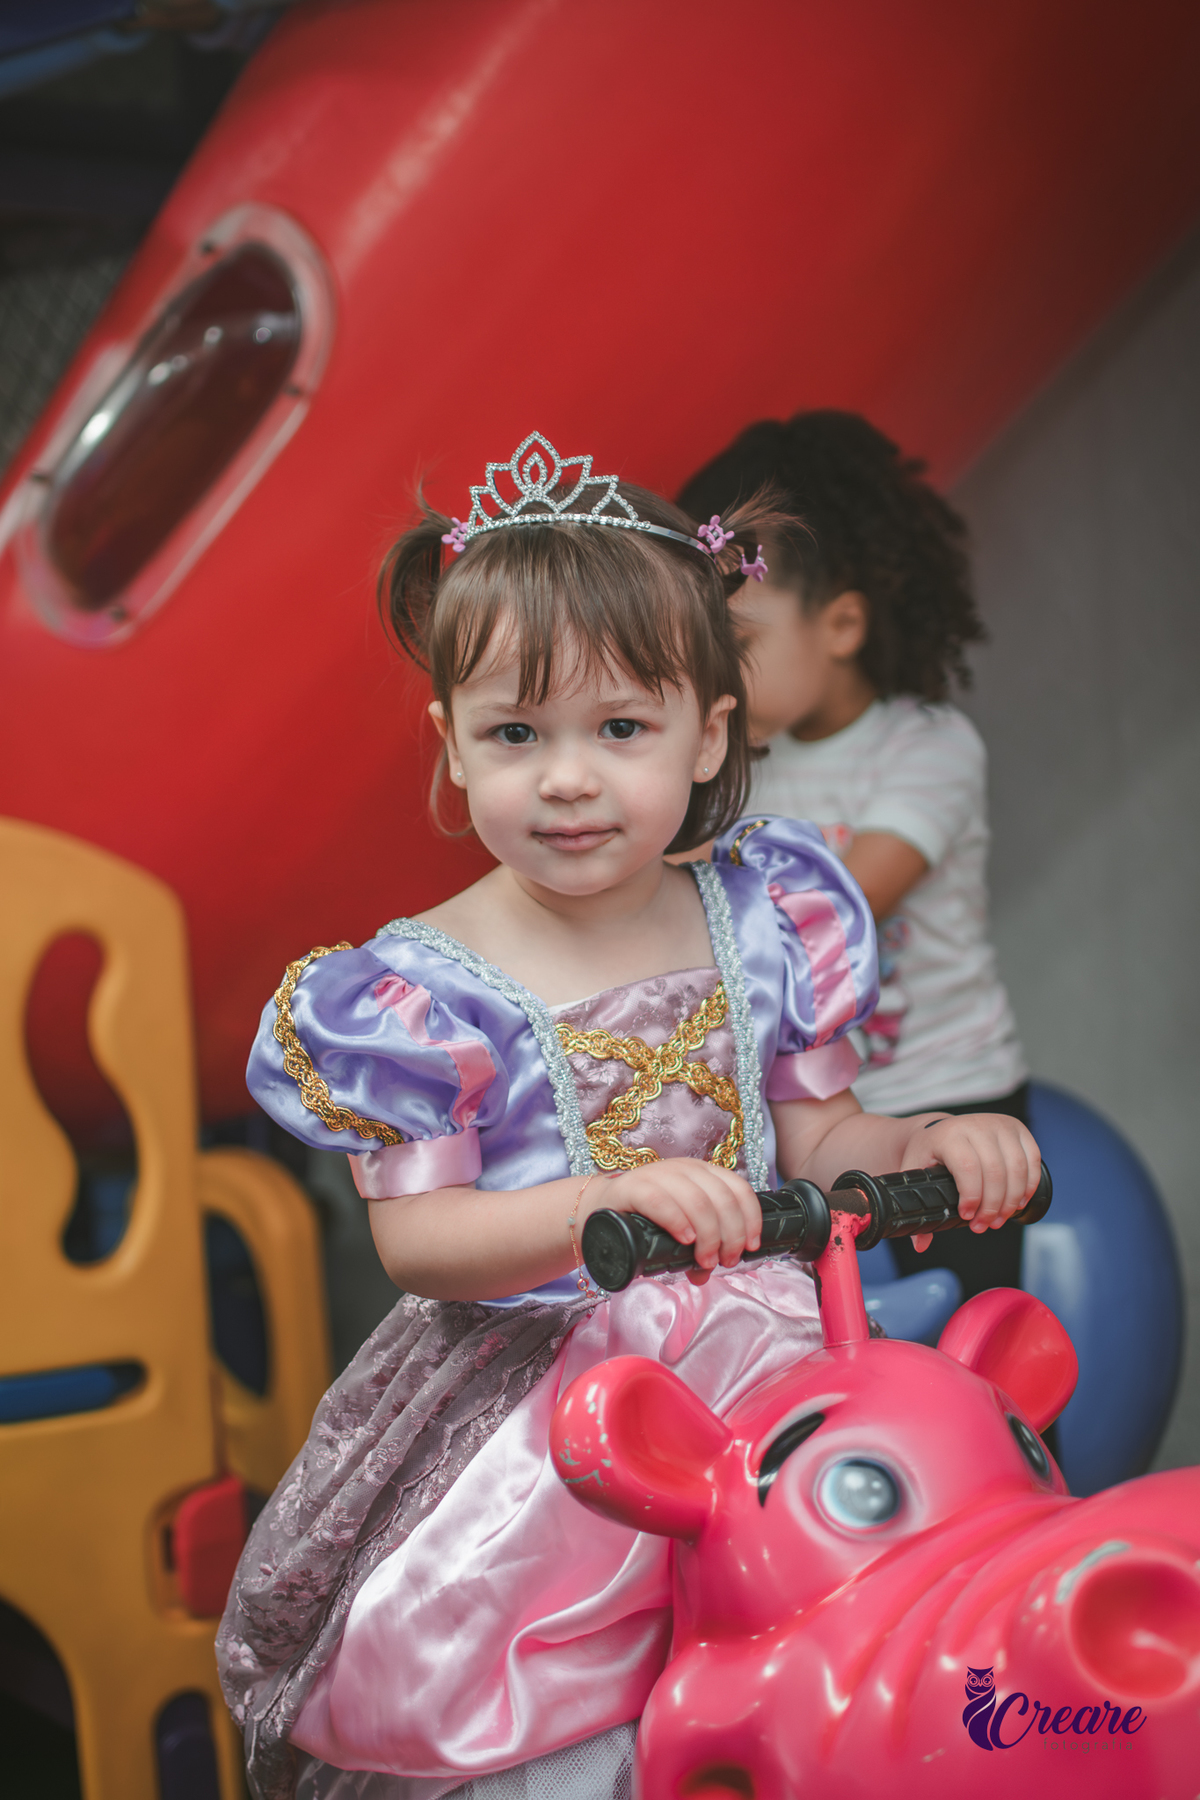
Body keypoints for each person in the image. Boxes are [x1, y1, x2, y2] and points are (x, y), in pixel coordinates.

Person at [216, 432, 1041, 1800]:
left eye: (620, 729)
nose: (567, 779)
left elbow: (820, 1136)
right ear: (451, 739)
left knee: (835, 1674)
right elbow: (421, 1242)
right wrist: (603, 1205)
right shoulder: (423, 987)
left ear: (709, 732)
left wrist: (922, 1146)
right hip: (550, 1422)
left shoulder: (766, 914)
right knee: (580, 1733)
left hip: (772, 1382)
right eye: (515, 735)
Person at [678, 412, 1029, 1300]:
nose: (717, 674)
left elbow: (844, 908)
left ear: (839, 626)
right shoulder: (732, 763)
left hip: (948, 1098)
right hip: (806, 1115)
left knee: (970, 1348)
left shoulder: (928, 750)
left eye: (740, 645)